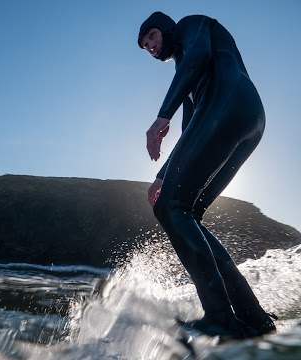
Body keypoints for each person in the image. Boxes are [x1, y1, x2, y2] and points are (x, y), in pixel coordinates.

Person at [137, 11, 276, 338]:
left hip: (229, 104)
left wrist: (161, 116)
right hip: (247, 119)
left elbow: (197, 57)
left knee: (170, 207)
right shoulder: (188, 72)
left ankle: (219, 317)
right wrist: (162, 174)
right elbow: (191, 131)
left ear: (167, 28)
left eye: (152, 37)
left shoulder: (192, 26)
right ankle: (254, 319)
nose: (151, 48)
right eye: (146, 47)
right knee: (188, 212)